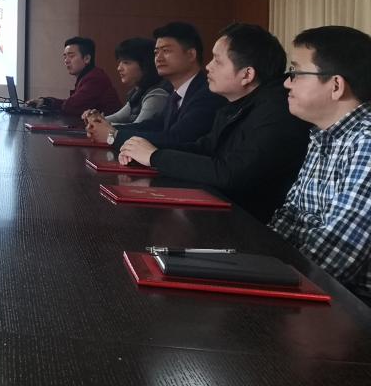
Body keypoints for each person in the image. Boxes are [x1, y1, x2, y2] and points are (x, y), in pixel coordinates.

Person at [118, 23, 310, 222]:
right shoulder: (237, 104)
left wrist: (155, 156)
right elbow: (205, 148)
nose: (208, 66)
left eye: (217, 61)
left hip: (253, 224)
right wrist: (144, 152)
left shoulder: (277, 110)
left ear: (247, 74)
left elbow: (231, 173)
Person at [270, 25, 371, 303]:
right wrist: (255, 261)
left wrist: (267, 276)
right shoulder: (323, 135)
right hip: (316, 288)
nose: (286, 83)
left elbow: (337, 255)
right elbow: (290, 219)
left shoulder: (366, 141)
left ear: (336, 85)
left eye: (296, 73)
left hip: (356, 306)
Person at [86, 22, 226, 148]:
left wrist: (113, 136)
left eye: (166, 51)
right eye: (156, 52)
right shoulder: (176, 93)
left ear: (191, 55)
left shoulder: (208, 93)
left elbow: (178, 139)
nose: (158, 58)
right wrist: (108, 128)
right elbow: (154, 125)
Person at [84, 37, 168, 126]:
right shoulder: (138, 92)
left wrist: (100, 124)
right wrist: (95, 118)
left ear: (146, 65)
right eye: (120, 62)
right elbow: (119, 117)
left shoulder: (157, 95)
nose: (119, 68)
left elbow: (137, 128)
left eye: (126, 62)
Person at [32, 37, 121, 117]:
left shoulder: (95, 78)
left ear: (87, 59)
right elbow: (71, 103)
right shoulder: (87, 76)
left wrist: (48, 103)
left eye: (71, 56)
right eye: (65, 57)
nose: (66, 61)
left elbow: (70, 106)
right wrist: (46, 101)